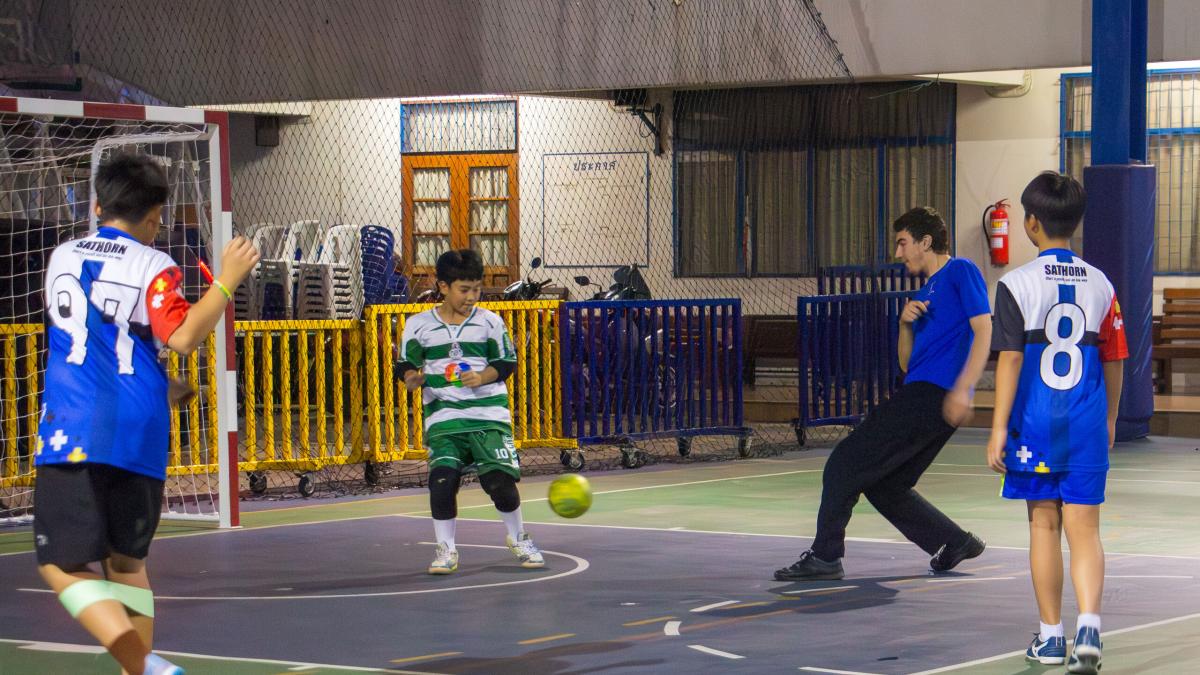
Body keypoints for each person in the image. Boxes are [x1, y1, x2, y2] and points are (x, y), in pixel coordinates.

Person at [34, 152, 259, 675]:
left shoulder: (63, 255)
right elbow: (178, 336)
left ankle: (147, 666)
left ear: (96, 204)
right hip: (141, 430)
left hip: (75, 427)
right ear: (156, 216)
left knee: (60, 564)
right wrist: (226, 281)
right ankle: (140, 670)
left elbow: (96, 339)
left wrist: (220, 283)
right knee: (127, 563)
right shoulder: (156, 266)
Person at [775, 206, 992, 581]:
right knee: (885, 484)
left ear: (926, 242)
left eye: (903, 242)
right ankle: (953, 541)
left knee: (844, 462)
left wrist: (963, 389)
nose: (898, 252)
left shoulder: (961, 271)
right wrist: (905, 326)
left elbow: (984, 329)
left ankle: (826, 556)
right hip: (922, 390)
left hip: (932, 395)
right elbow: (906, 364)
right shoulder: (924, 292)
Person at [988, 172, 1126, 674]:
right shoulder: (1102, 283)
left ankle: (1051, 639)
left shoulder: (1015, 284)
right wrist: (1110, 418)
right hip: (1087, 423)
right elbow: (1115, 359)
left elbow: (1008, 360)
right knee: (1085, 530)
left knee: (1043, 524)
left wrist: (999, 428)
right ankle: (1089, 626)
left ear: (1030, 223)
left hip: (1034, 428)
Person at [397, 248, 543, 574]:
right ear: (443, 286)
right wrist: (412, 378)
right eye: (465, 289)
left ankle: (518, 537)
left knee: (498, 481)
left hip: (488, 413)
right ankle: (445, 550)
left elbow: (505, 364)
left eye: (477, 288)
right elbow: (406, 364)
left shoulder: (490, 322)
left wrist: (482, 376)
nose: (472, 296)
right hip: (444, 416)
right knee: (442, 479)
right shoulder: (418, 325)